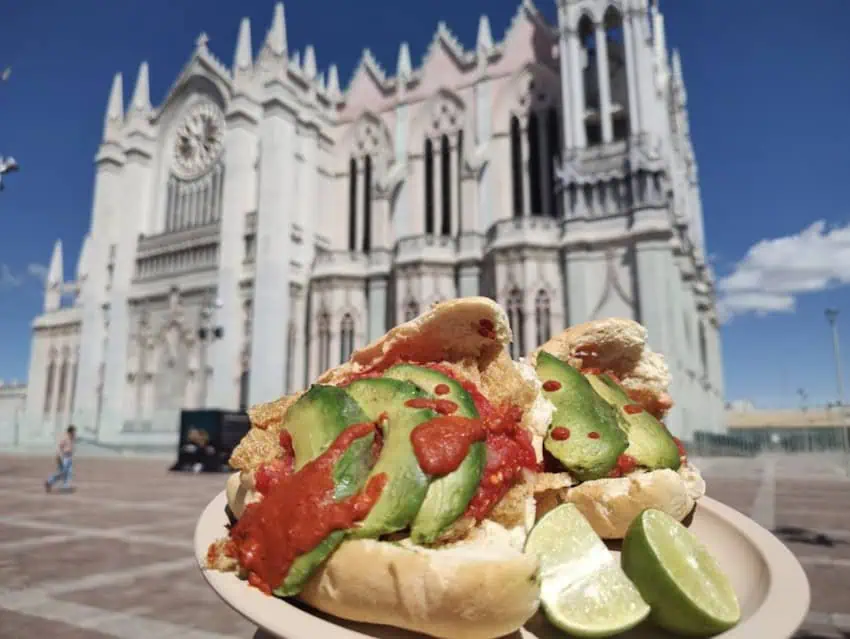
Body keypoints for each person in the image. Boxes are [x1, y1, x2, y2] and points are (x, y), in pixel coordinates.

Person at [45, 425, 76, 492]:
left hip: (69, 457)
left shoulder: (72, 438)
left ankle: (65, 486)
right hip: (64, 457)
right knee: (62, 473)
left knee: (69, 473)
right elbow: (60, 447)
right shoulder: (65, 438)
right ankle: (49, 481)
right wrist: (59, 456)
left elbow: (71, 447)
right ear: (70, 432)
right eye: (74, 431)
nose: (75, 433)